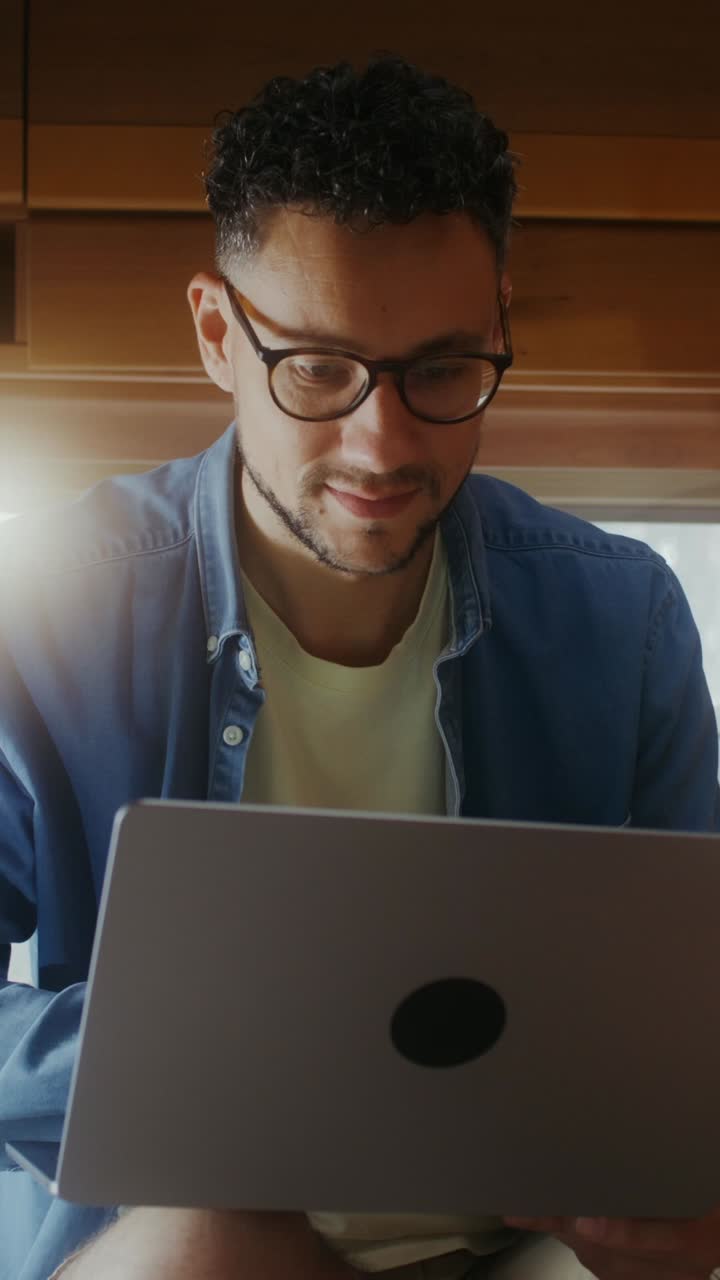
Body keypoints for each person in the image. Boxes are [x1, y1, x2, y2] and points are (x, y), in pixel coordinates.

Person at [1, 53, 719, 1280]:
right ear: (218, 334)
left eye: (441, 367)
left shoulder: (626, 618)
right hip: (203, 1234)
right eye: (319, 369)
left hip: (523, 1237)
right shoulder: (49, 613)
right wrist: (206, 1062)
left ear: (498, 325)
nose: (381, 443)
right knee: (209, 1244)